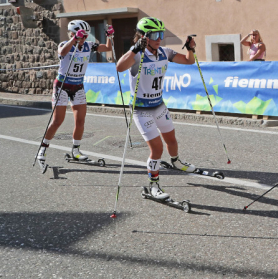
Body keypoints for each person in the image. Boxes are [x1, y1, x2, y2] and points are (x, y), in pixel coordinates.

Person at [116, 17, 197, 200]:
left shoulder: (164, 52)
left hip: (159, 105)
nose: (159, 38)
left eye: (161, 34)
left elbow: (188, 61)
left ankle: (176, 162)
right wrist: (134, 48)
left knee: (172, 141)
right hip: (141, 110)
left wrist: (191, 48)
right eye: (155, 35)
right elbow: (119, 67)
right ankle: (153, 186)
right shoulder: (136, 54)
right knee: (157, 149)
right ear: (143, 36)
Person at [37, 20, 114, 169]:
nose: (84, 38)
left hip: (78, 86)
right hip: (62, 86)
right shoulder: (64, 45)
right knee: (58, 121)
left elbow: (107, 48)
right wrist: (74, 40)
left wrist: (110, 36)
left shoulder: (88, 46)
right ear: (72, 34)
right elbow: (62, 52)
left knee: (80, 121)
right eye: (81, 35)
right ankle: (42, 150)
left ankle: (76, 151)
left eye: (86, 35)